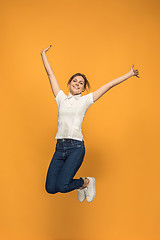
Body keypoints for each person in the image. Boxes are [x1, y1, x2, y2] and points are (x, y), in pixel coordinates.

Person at [41, 45, 140, 203]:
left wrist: (129, 74)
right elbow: (50, 74)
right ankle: (82, 185)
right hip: (59, 148)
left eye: (81, 83)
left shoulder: (85, 100)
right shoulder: (61, 98)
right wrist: (43, 54)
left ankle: (87, 182)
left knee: (62, 185)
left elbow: (108, 85)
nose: (77, 83)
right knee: (50, 188)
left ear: (83, 88)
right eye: (75, 81)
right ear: (70, 83)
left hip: (76, 148)